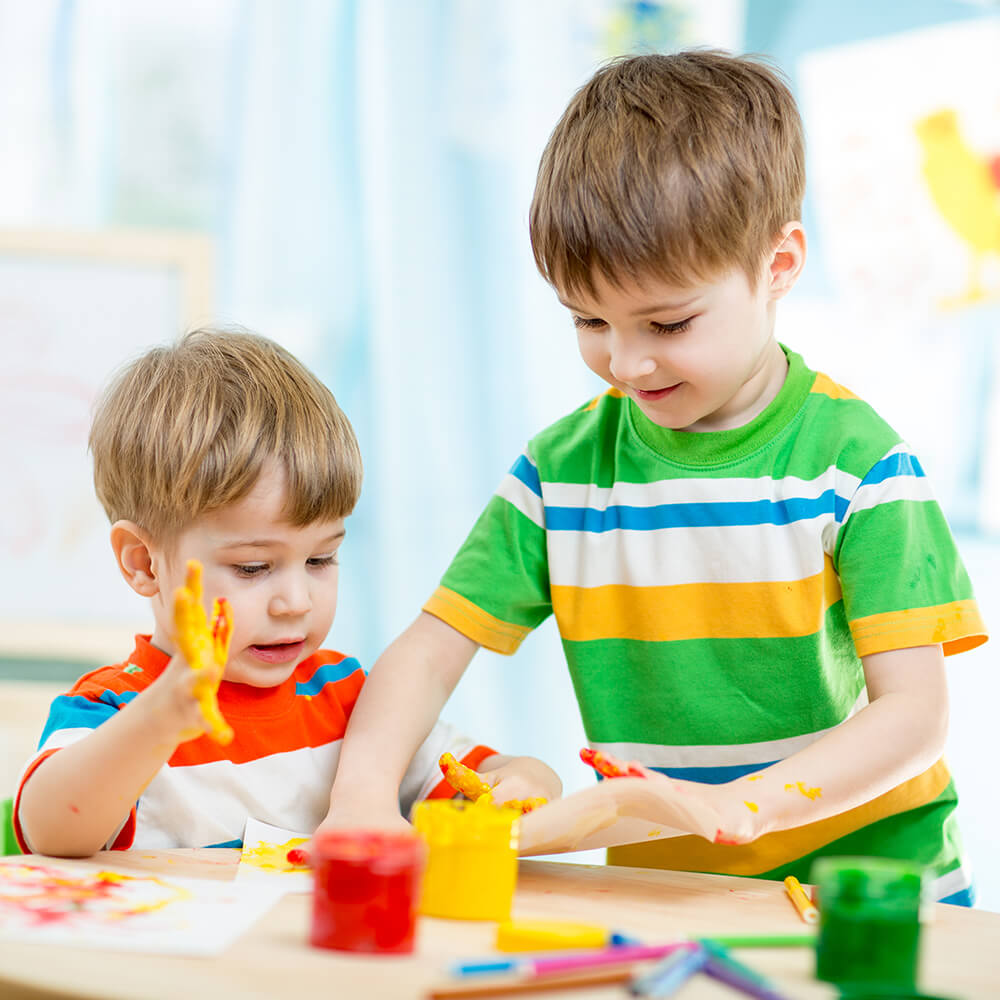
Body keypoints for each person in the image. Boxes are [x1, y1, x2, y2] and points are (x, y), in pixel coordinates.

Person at [321, 50, 987, 905]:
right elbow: (426, 653)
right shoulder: (559, 477)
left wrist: (734, 807)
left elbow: (915, 718)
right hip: (669, 896)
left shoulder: (859, 464)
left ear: (779, 266)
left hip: (877, 892)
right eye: (589, 319)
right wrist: (363, 798)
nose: (626, 362)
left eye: (668, 322)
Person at [13, 328, 560, 857]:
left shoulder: (347, 700)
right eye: (253, 568)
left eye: (321, 558)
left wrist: (524, 782)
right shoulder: (116, 708)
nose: (296, 600)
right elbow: (50, 832)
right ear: (144, 563)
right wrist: (158, 719)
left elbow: (488, 777)